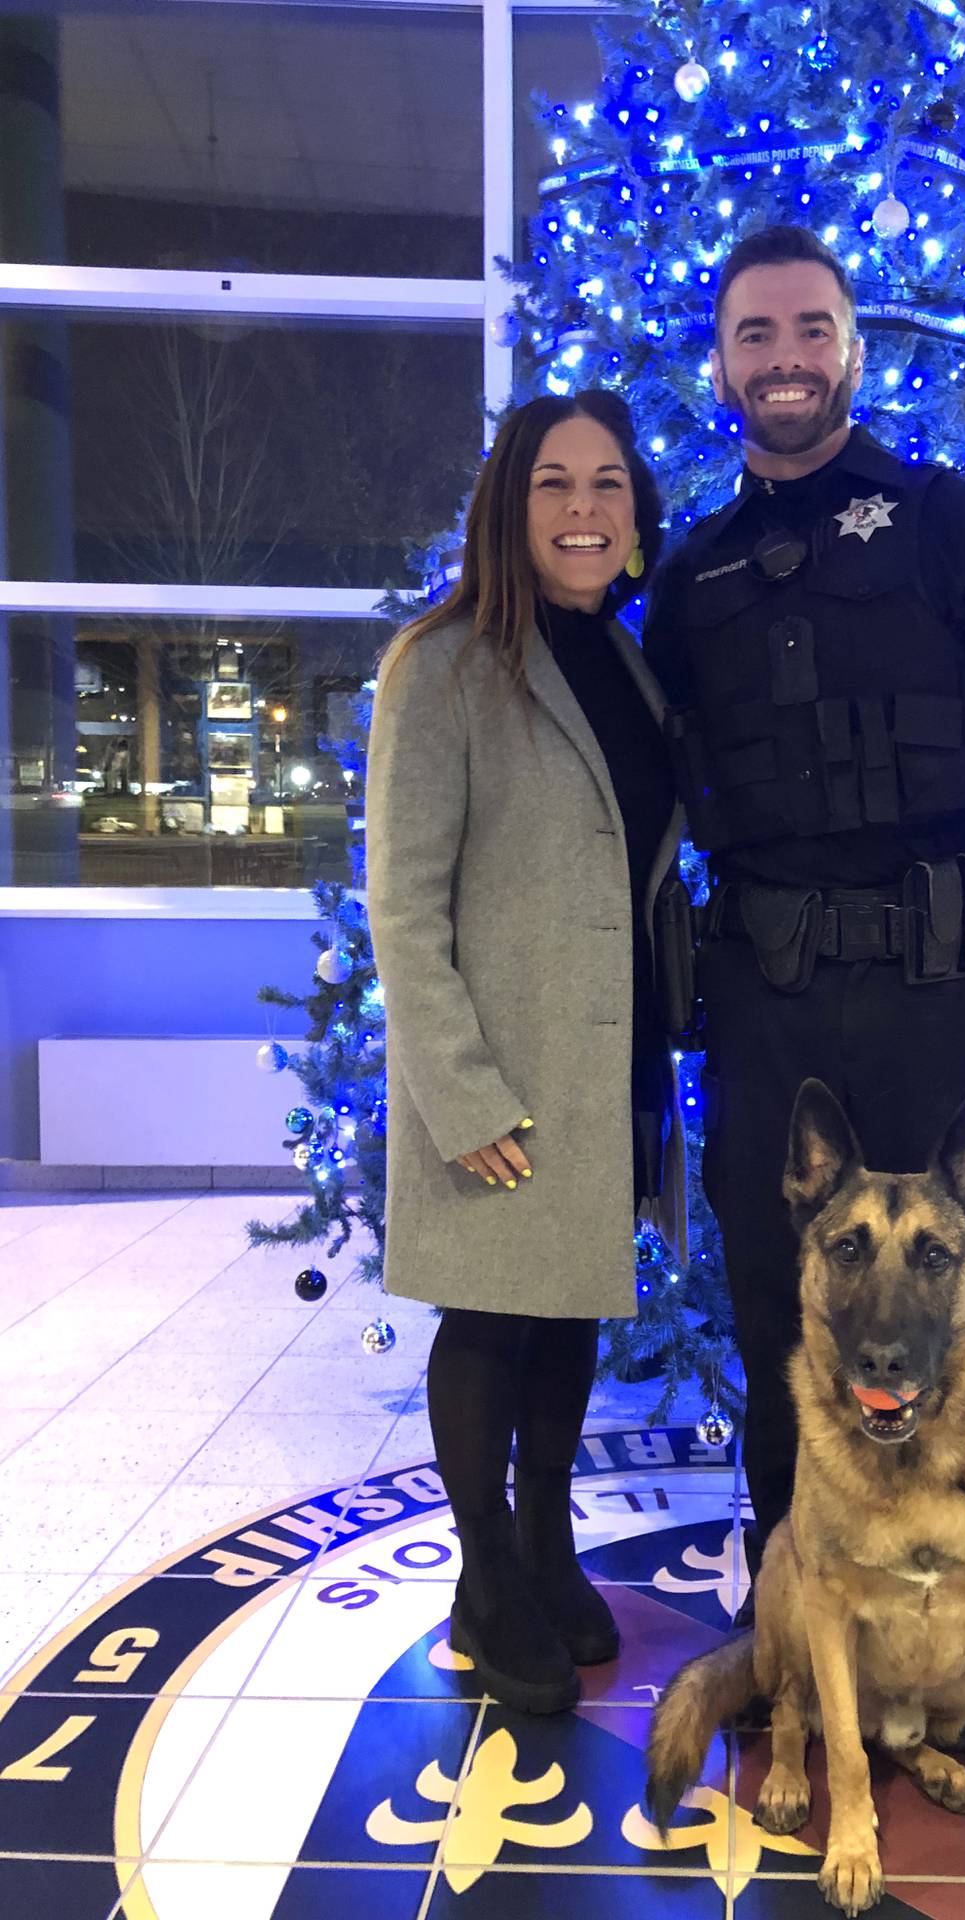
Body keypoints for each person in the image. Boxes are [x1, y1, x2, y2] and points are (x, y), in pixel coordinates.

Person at [643, 226, 965, 1643]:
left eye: (812, 328)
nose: (785, 358)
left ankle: (940, 1603)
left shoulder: (959, 529)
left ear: (854, 349)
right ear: (720, 365)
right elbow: (636, 790)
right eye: (755, 334)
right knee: (773, 1301)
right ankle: (794, 1585)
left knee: (932, 1315)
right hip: (766, 1000)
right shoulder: (693, 576)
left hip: (934, 993)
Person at [367, 391, 683, 1715]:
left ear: (635, 512)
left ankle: (548, 1549)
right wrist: (460, 1091)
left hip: (609, 1057)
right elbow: (403, 903)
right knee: (491, 1318)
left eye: (608, 482)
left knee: (566, 1314)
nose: (584, 508)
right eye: (554, 481)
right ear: (510, 504)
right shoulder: (441, 665)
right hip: (503, 1068)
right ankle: (487, 1577)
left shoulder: (628, 662)